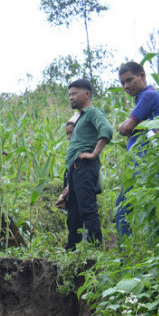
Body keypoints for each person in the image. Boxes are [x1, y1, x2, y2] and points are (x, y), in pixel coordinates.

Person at [113, 61, 159, 237]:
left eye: (129, 80)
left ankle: (126, 249)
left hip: (144, 158)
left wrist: (127, 128)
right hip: (149, 157)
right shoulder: (146, 98)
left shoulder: (148, 96)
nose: (126, 86)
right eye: (122, 83)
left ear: (142, 76)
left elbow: (125, 128)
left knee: (123, 204)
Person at [59, 79, 112, 250]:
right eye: (69, 95)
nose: (71, 98)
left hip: (85, 167)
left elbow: (107, 130)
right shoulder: (80, 119)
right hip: (75, 170)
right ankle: (71, 251)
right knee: (73, 213)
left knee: (87, 209)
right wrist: (68, 184)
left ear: (87, 94)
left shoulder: (93, 112)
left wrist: (94, 153)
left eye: (74, 94)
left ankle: (94, 252)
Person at [55, 113, 80, 210]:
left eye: (71, 133)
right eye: (67, 134)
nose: (68, 137)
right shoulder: (72, 153)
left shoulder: (82, 153)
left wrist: (69, 188)